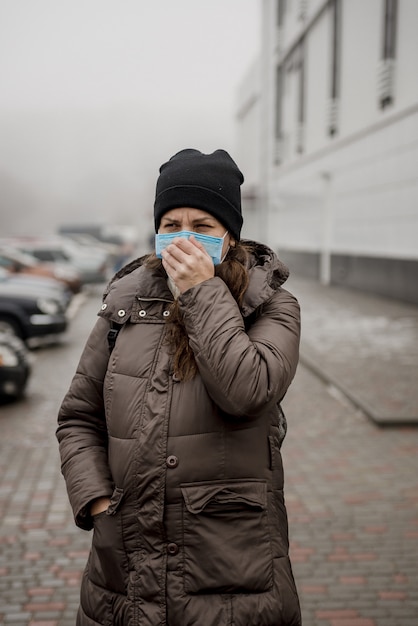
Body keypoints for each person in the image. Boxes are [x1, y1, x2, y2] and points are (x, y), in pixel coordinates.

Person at [56, 148, 302, 626]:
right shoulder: (123, 304)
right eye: (171, 224)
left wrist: (200, 292)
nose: (184, 238)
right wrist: (98, 502)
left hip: (230, 566)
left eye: (202, 227)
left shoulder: (272, 305)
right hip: (124, 557)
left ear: (230, 236)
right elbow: (78, 417)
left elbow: (247, 391)